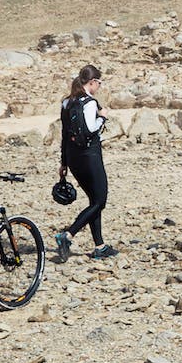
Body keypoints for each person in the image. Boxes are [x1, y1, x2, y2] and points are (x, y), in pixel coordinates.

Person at [54, 64, 119, 262]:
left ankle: (100, 246)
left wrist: (64, 163)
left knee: (93, 201)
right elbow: (91, 130)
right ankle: (68, 235)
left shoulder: (67, 102)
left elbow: (65, 134)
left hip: (73, 159)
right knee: (100, 201)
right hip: (90, 157)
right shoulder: (90, 103)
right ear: (92, 82)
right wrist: (103, 118)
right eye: (99, 83)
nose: (99, 87)